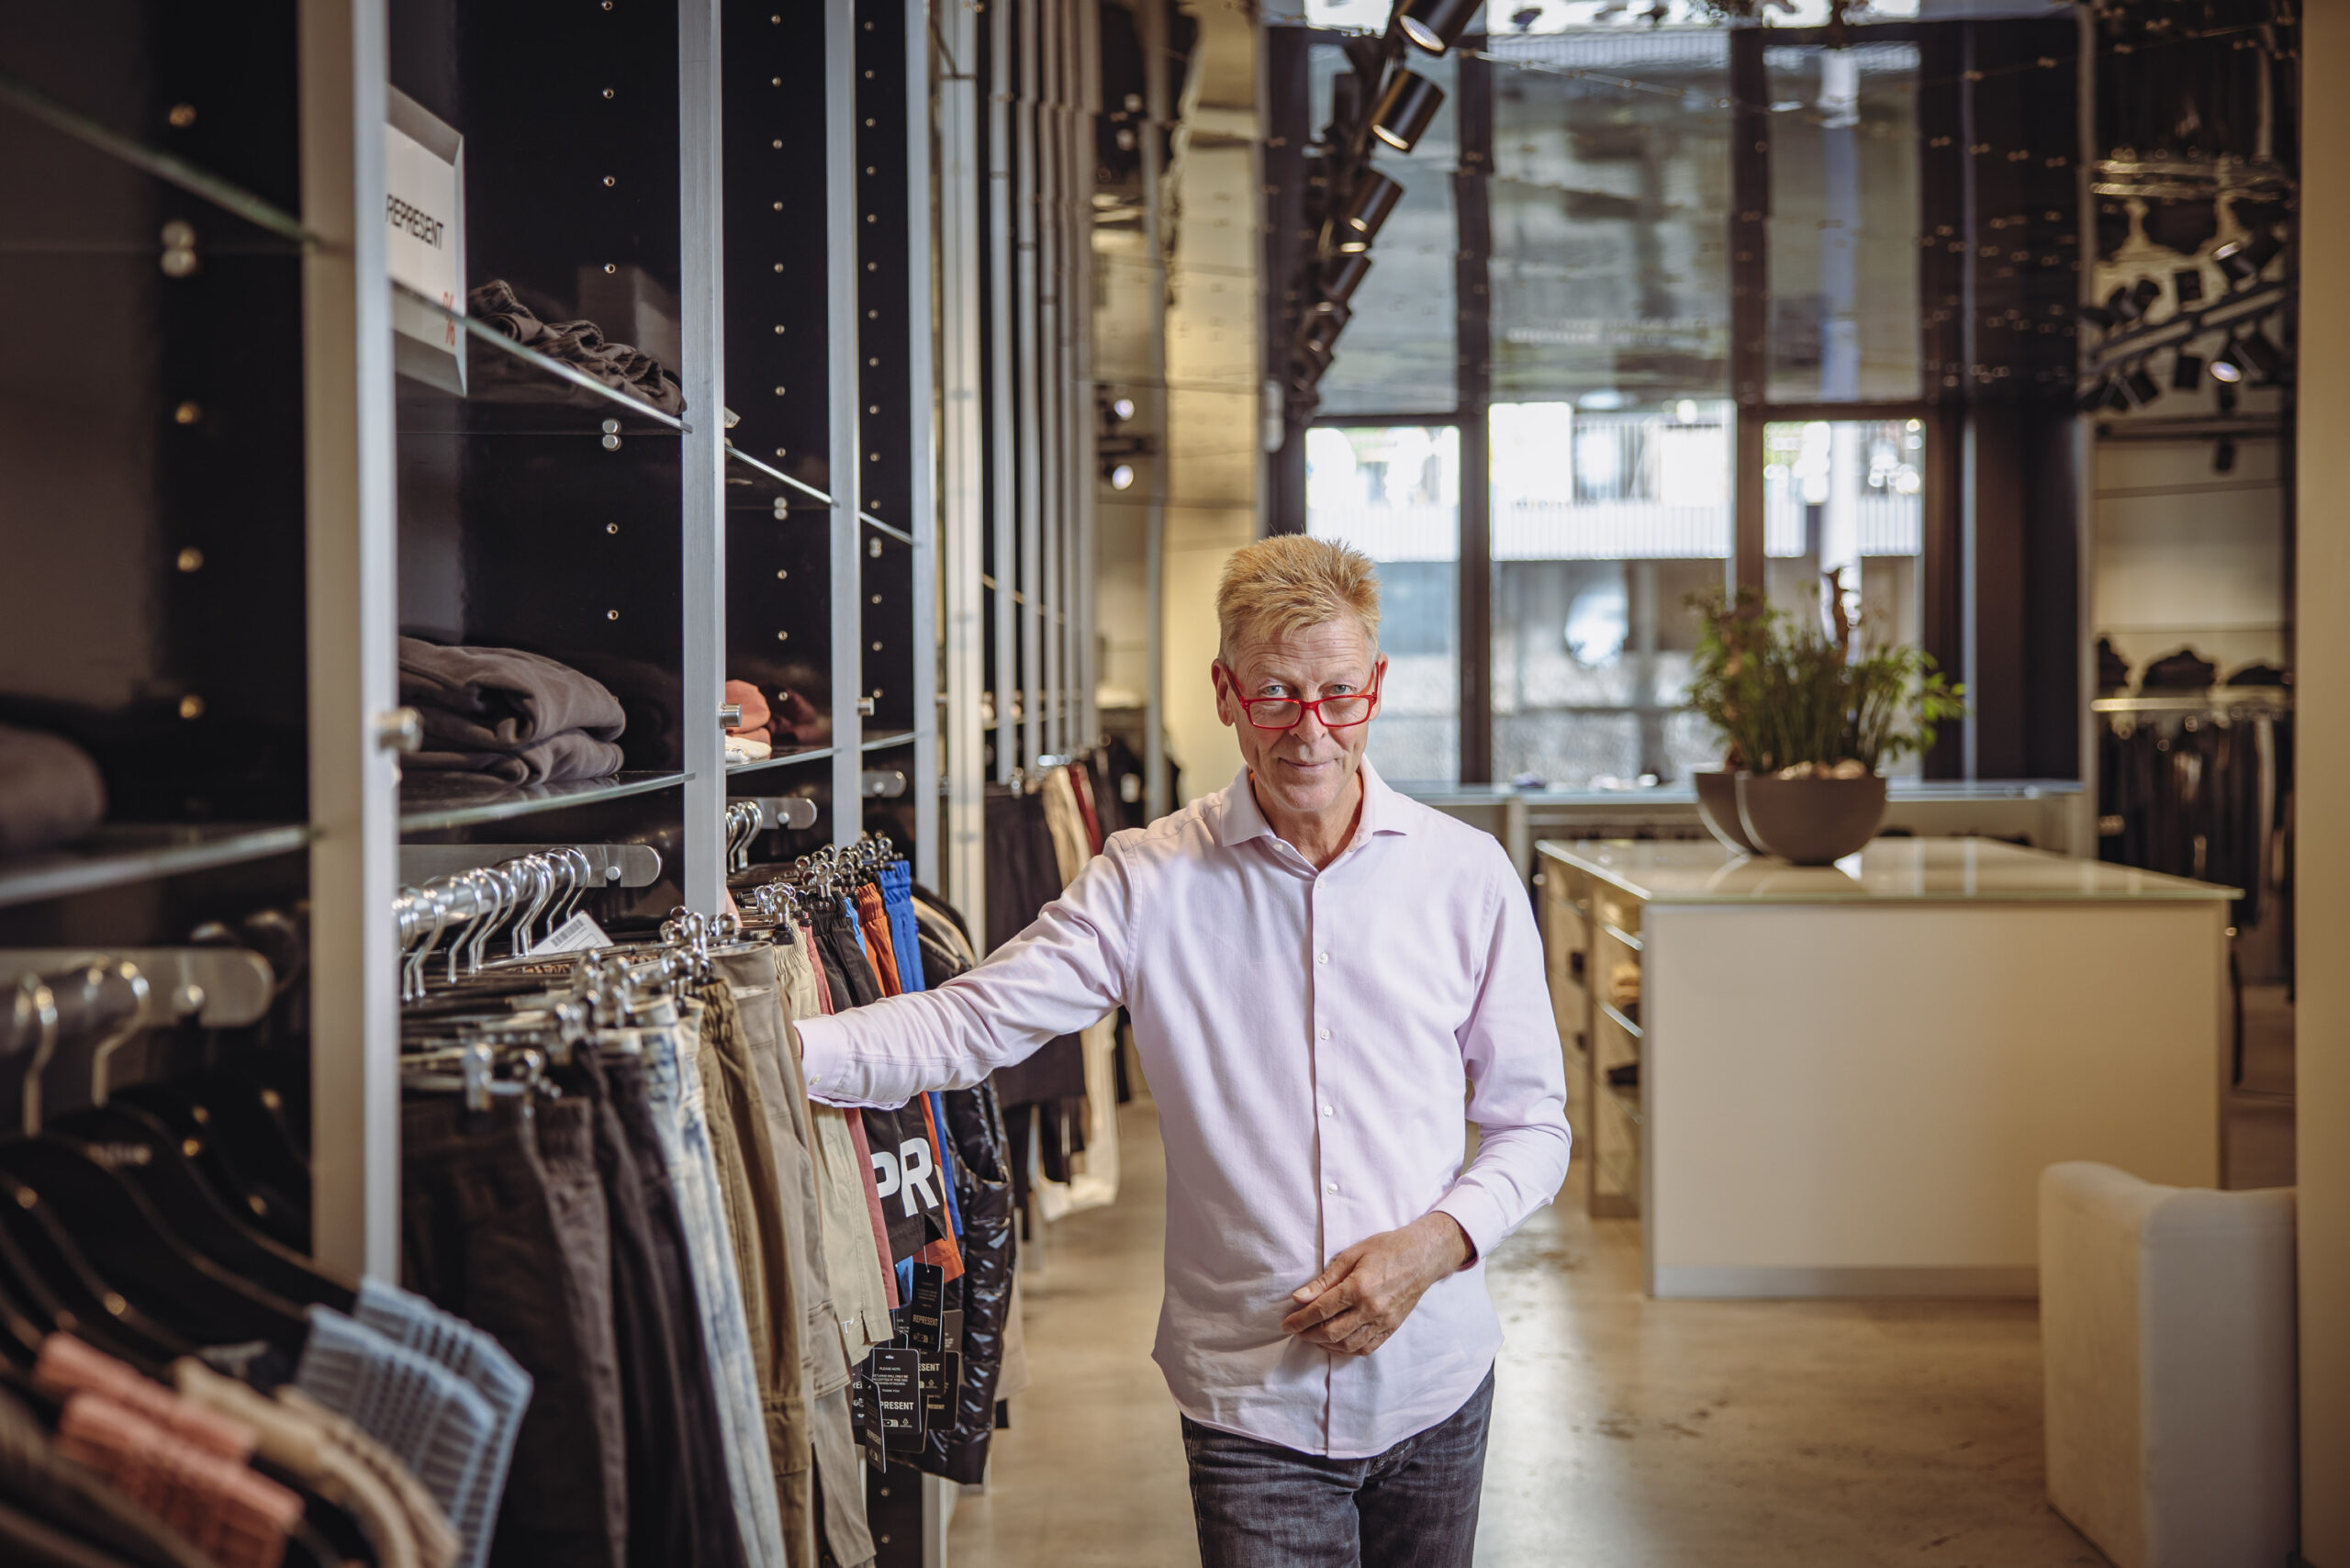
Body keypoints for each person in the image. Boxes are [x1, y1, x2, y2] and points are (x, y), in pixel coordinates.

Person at [795, 534, 1572, 1567]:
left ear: (1374, 688)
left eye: (1338, 694)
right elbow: (966, 1022)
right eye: (1275, 695)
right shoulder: (1143, 879)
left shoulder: (1467, 877)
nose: (1309, 731)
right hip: (1250, 1403)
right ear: (1223, 690)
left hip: (1437, 1379)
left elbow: (1533, 1123)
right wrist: (763, 1050)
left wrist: (1432, 1245)